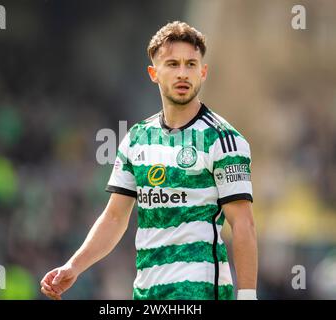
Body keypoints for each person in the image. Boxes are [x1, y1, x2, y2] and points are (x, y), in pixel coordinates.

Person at [40, 21, 258, 300]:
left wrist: (248, 295)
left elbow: (243, 223)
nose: (183, 73)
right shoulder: (135, 138)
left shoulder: (223, 139)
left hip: (200, 292)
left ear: (203, 72)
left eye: (191, 64)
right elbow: (115, 216)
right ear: (154, 73)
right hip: (146, 291)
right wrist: (74, 266)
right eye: (172, 64)